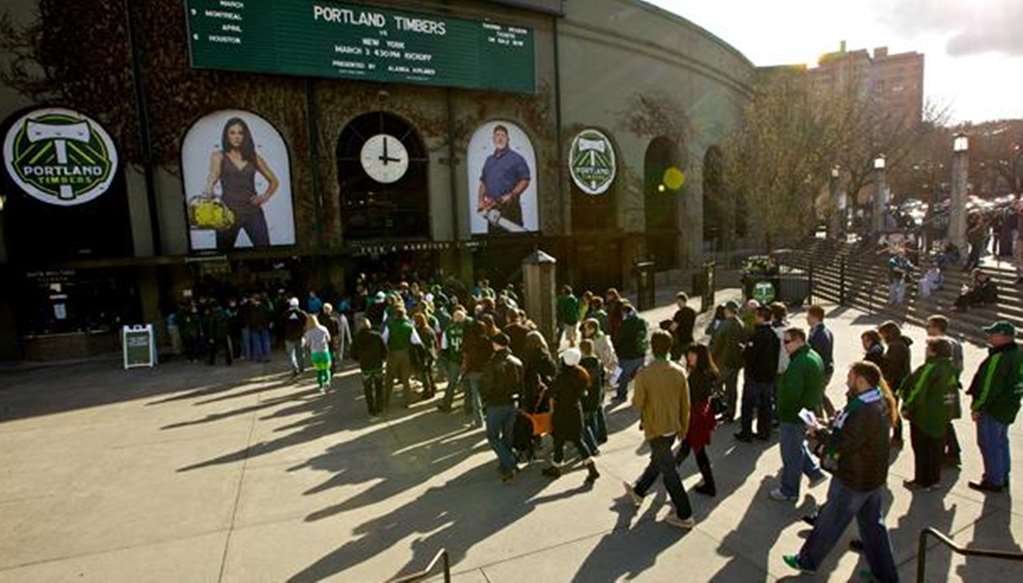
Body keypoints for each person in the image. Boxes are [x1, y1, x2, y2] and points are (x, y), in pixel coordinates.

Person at [783, 362, 900, 583]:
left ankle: (806, 561)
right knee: (874, 529)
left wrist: (818, 433)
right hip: (871, 478)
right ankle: (886, 577)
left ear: (861, 381)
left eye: (850, 377)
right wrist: (828, 425)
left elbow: (845, 442)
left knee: (829, 522)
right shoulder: (875, 401)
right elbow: (851, 432)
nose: (847, 381)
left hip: (853, 478)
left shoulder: (864, 410)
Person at [623, 330, 695, 529]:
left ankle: (685, 513)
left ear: (652, 348)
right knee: (659, 460)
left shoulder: (645, 373)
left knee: (668, 471)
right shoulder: (679, 371)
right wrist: (684, 428)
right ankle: (639, 491)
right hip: (674, 426)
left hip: (655, 427)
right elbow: (685, 404)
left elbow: (637, 403)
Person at [202, 117, 280, 250]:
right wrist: (209, 188)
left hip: (252, 212)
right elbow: (213, 175)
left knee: (265, 253)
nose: (236, 137)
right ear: (227, 136)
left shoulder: (253, 157)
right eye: (232, 133)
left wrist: (264, 197)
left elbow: (274, 181)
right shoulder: (218, 156)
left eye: (240, 133)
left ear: (245, 135)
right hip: (228, 214)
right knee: (224, 256)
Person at [770, 327, 828, 502]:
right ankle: (814, 472)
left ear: (799, 341)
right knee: (798, 446)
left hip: (793, 415)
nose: (784, 345)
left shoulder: (799, 363)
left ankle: (789, 490)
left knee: (790, 454)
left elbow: (792, 393)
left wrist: (780, 408)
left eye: (787, 342)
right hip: (806, 411)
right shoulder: (813, 356)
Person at [966, 320, 1023, 493]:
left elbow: (988, 387)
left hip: (993, 408)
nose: (989, 336)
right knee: (1000, 442)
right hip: (1009, 405)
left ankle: (993, 480)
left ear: (1004, 337)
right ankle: (1002, 475)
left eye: (993, 334)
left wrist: (978, 407)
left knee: (989, 443)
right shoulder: (1017, 354)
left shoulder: (999, 358)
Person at [898, 337, 957, 491]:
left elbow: (919, 391)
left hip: (924, 415)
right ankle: (934, 480)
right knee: (936, 450)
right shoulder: (950, 368)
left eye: (928, 347)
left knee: (922, 449)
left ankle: (922, 481)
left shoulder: (930, 367)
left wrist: (907, 407)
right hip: (942, 415)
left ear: (933, 351)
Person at [542, 347, 601, 483]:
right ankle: (592, 468)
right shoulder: (582, 374)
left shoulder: (562, 377)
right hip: (575, 410)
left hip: (562, 412)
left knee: (558, 439)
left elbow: (549, 393)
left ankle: (556, 467)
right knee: (578, 440)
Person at [675, 344, 719, 496]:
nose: (689, 357)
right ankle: (671, 469)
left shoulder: (698, 375)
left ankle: (710, 485)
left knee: (699, 453)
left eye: (692, 354)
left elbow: (690, 398)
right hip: (701, 414)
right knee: (687, 445)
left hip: (696, 416)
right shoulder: (707, 371)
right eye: (688, 354)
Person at [480, 333, 525, 482]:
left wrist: (485, 401)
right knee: (507, 435)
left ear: (496, 344)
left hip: (496, 404)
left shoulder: (492, 363)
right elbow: (521, 384)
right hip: (512, 402)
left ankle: (509, 461)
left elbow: (487, 386)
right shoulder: (517, 362)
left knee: (492, 436)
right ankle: (505, 464)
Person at [925, 316, 964, 467]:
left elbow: (932, 368)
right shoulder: (956, 343)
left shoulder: (939, 344)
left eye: (929, 326)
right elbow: (959, 366)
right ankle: (953, 451)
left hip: (940, 388)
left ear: (936, 327)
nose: (927, 329)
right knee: (945, 421)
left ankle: (947, 453)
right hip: (950, 386)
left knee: (939, 421)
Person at [477, 124, 531, 233]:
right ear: (493, 139)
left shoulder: (516, 158)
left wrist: (512, 195)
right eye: (497, 135)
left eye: (503, 135)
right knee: (494, 242)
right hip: (492, 210)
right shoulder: (489, 161)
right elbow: (483, 182)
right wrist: (480, 201)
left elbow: (525, 180)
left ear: (508, 139)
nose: (500, 138)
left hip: (510, 209)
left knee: (514, 243)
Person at [737, 306, 779, 442]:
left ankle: (746, 432)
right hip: (769, 377)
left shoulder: (756, 335)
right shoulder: (774, 335)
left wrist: (744, 350)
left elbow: (750, 356)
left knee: (748, 405)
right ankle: (764, 432)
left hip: (754, 377)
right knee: (766, 406)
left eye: (756, 315)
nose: (755, 318)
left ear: (761, 317)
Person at [710, 300, 744, 422]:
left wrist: (710, 357)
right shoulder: (740, 324)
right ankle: (731, 412)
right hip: (735, 362)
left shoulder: (725, 325)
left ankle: (722, 408)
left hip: (723, 362)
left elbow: (716, 343)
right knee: (732, 388)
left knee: (716, 385)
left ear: (728, 310)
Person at [879, 321, 912, 447]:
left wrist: (886, 382)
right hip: (901, 379)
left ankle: (897, 437)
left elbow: (892, 367)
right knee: (893, 408)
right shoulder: (901, 344)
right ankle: (896, 436)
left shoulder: (895, 346)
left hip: (895, 382)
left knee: (892, 409)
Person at [382, 306, 422, 410]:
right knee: (405, 378)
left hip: (393, 353)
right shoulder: (409, 326)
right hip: (405, 353)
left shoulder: (389, 326)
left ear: (395, 315)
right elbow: (416, 341)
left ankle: (386, 400)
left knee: (389, 377)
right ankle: (407, 401)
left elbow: (384, 339)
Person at [612, 301, 649, 402]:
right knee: (639, 376)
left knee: (623, 375)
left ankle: (621, 394)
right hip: (640, 354)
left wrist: (616, 348)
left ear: (624, 313)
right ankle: (641, 395)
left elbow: (619, 339)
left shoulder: (625, 324)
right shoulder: (641, 321)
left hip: (627, 355)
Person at [351, 317, 387, 416]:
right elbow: (384, 350)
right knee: (379, 386)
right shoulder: (377, 335)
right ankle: (379, 406)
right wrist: (383, 358)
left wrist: (359, 359)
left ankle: (371, 408)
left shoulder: (357, 337)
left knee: (368, 388)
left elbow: (353, 353)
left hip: (365, 366)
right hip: (377, 364)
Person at [461, 318, 493, 427]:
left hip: (473, 371)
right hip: (486, 371)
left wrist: (464, 369)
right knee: (487, 396)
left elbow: (465, 357)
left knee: (476, 397)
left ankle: (478, 421)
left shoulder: (468, 341)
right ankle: (490, 419)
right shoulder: (488, 341)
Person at [438, 307, 469, 413]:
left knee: (452, 383)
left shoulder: (448, 330)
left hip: (454, 359)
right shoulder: (468, 329)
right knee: (467, 383)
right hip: (467, 359)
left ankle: (446, 405)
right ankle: (468, 407)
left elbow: (444, 346)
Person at [807, 305, 836, 417]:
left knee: (816, 397)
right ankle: (832, 414)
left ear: (815, 317)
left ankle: (820, 420)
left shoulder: (821, 334)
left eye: (809, 316)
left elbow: (819, 355)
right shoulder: (817, 331)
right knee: (820, 394)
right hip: (825, 369)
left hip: (821, 370)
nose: (807, 318)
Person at [579, 339, 608, 453]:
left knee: (587, 421)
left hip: (587, 396)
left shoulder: (581, 365)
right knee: (598, 414)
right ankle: (602, 435)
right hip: (598, 393)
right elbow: (603, 376)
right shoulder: (598, 362)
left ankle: (593, 443)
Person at [304, 313, 332, 393]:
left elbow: (307, 344)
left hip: (315, 353)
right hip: (324, 352)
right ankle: (327, 381)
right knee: (326, 369)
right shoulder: (323, 328)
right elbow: (328, 339)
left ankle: (320, 387)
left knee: (319, 371)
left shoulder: (308, 332)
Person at [412, 312, 438, 399]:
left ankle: (427, 391)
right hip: (431, 353)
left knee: (424, 373)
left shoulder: (417, 331)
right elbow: (435, 342)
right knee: (430, 372)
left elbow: (415, 343)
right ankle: (433, 387)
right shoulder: (430, 329)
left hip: (422, 354)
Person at [282, 298, 307, 379]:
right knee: (300, 354)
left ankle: (295, 369)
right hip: (299, 337)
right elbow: (306, 322)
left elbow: (281, 324)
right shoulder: (302, 313)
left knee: (291, 355)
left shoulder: (285, 314)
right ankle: (302, 369)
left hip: (289, 337)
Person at [669, 292, 696, 361]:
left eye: (679, 302)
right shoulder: (692, 312)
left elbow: (673, 327)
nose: (678, 304)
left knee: (674, 361)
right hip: (690, 340)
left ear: (683, 301)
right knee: (691, 362)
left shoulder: (679, 314)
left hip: (680, 342)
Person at [205, 301, 233, 366]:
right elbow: (229, 322)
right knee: (226, 348)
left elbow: (211, 326)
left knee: (213, 348)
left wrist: (211, 337)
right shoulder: (224, 313)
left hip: (216, 335)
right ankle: (229, 361)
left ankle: (211, 361)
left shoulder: (214, 314)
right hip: (224, 334)